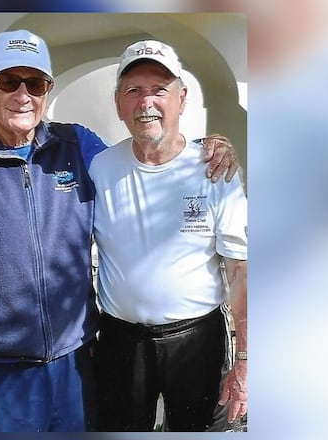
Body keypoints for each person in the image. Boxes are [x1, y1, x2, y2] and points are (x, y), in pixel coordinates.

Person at [0, 30, 239, 432]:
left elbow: (146, 158)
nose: (23, 95)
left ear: (48, 89)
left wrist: (207, 148)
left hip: (75, 364)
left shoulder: (77, 146)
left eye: (35, 83)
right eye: (9, 81)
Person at [90, 39, 248, 431]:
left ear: (182, 98)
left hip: (197, 341)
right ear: (118, 104)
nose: (146, 102)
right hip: (120, 344)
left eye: (160, 90)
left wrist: (246, 360)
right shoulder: (99, 167)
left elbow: (241, 271)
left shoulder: (215, 170)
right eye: (133, 90)